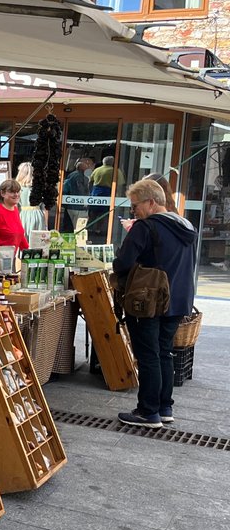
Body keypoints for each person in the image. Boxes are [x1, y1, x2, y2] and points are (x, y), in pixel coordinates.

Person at [113, 178, 197, 428]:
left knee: (148, 354)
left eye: (135, 205)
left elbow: (123, 263)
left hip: (148, 300)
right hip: (178, 298)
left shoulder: (145, 227)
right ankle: (164, 407)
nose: (134, 211)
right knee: (164, 352)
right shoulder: (185, 225)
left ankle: (147, 412)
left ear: (151, 202)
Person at [87, 156, 125, 244]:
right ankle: (98, 229)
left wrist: (90, 191)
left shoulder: (97, 170)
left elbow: (90, 181)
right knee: (103, 213)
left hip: (96, 191)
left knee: (93, 211)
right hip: (108, 192)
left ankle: (89, 227)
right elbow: (120, 184)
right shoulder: (116, 171)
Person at [62, 157, 93, 232]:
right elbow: (83, 191)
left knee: (70, 226)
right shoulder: (82, 177)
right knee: (80, 228)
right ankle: (78, 241)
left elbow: (65, 189)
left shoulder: (71, 175)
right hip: (79, 206)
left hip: (71, 204)